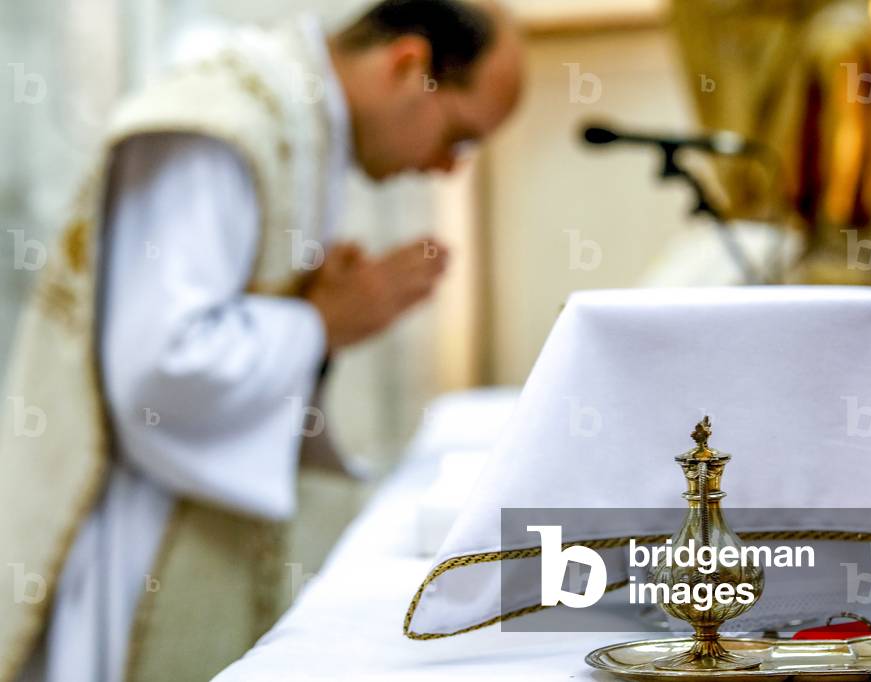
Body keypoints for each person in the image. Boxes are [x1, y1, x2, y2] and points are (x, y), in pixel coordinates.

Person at [0, 1, 523, 681]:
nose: (448, 170)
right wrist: (323, 322)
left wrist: (309, 312)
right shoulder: (222, 125)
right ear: (408, 66)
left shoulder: (293, 117)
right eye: (457, 137)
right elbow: (159, 370)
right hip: (142, 545)